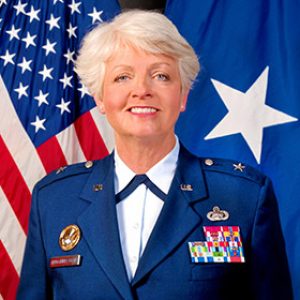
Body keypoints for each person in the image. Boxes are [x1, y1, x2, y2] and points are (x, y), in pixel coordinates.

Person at [17, 10, 293, 300]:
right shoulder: (55, 200)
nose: (141, 90)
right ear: (100, 97)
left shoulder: (244, 196)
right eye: (123, 77)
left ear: (183, 96)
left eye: (160, 75)